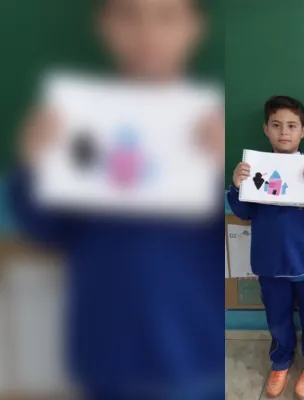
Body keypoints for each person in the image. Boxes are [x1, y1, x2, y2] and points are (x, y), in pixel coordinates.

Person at [10, 0, 225, 398]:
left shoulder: (216, 128)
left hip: (199, 350)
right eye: (128, 15)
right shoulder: (74, 124)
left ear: (195, 27)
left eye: (167, 17)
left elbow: (238, 238)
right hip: (107, 352)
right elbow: (46, 229)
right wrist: (32, 168)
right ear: (103, 25)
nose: (147, 33)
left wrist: (225, 175)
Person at [227, 95, 304, 399]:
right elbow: (243, 212)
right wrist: (237, 186)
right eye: (276, 125)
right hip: (269, 263)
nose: (284, 132)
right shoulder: (253, 168)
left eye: (291, 125)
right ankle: (281, 360)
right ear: (266, 130)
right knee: (277, 316)